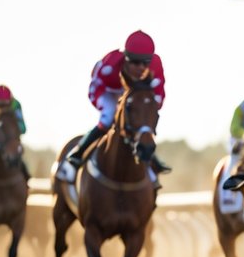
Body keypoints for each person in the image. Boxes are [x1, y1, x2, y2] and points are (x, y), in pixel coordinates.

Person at [66, 30, 170, 172]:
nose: (141, 67)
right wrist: (117, 107)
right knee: (109, 115)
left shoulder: (156, 65)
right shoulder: (109, 66)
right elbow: (96, 87)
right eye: (135, 62)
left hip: (136, 94)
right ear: (125, 59)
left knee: (141, 119)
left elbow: (158, 97)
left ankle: (151, 161)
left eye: (145, 63)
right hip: (108, 90)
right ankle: (79, 151)